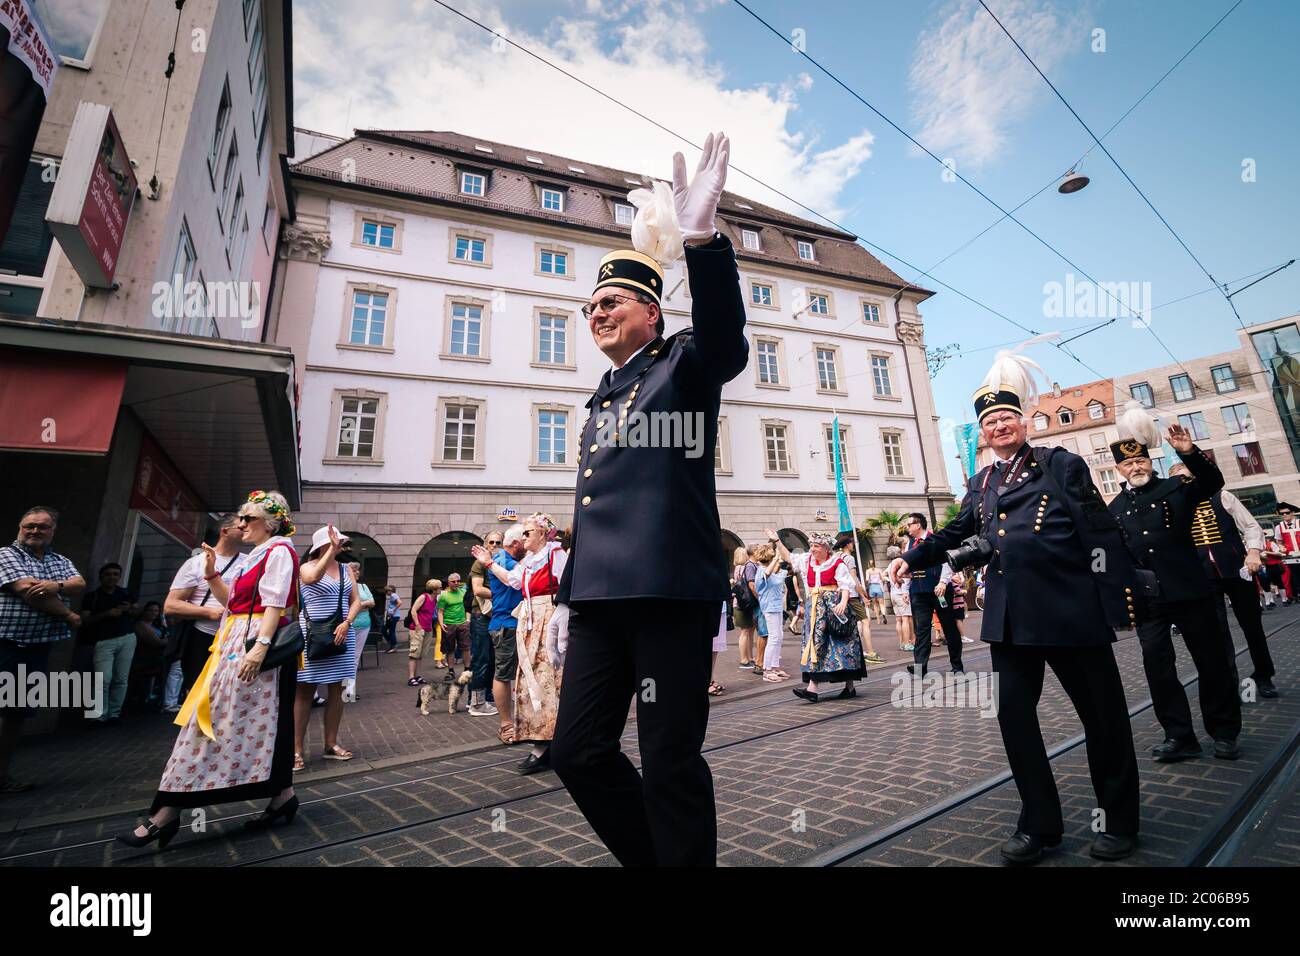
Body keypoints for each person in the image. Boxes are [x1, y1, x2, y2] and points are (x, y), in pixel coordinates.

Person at [544, 133, 747, 866]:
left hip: (666, 597)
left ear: (653, 313)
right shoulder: (600, 398)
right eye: (590, 304)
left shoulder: (683, 367)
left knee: (668, 763)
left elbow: (726, 341)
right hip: (600, 601)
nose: (595, 313)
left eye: (612, 302)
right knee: (577, 751)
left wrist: (702, 241)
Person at [889, 348, 1141, 864]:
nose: (998, 426)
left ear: (1023, 421)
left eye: (1006, 417)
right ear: (982, 432)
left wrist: (1113, 603)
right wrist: (911, 557)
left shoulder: (1060, 465)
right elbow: (957, 532)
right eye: (989, 421)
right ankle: (1039, 825)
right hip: (1008, 621)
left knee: (1104, 720)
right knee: (1017, 725)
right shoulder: (980, 483)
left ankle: (1119, 821)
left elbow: (1100, 534)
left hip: (1071, 615)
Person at [119, 491, 301, 848]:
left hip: (250, 643)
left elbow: (275, 604)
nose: (241, 524)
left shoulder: (279, 551)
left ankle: (169, 808)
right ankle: (281, 795)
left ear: (270, 522)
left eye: (248, 518)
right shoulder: (257, 555)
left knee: (218, 722)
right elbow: (231, 603)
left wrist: (259, 649)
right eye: (241, 518)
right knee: (231, 721)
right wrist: (212, 574)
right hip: (234, 639)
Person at [1107, 404, 1242, 762]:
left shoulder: (1176, 488)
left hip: (1191, 589)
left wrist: (1188, 452)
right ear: (1118, 469)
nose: (1136, 467)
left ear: (1150, 461)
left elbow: (1213, 483)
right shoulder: (1116, 508)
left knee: (1211, 662)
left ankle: (1224, 731)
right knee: (1158, 668)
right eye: (1128, 464)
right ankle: (1180, 736)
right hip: (1149, 600)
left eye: (1141, 462)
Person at [1169, 462, 1277, 699]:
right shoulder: (1176, 507)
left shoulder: (1222, 496)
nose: (1187, 483)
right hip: (1203, 576)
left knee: (1252, 627)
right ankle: (1228, 684)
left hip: (1237, 568)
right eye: (1180, 481)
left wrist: (1253, 551)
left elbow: (1250, 525)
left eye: (1189, 478)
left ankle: (1264, 674)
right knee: (1216, 633)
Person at [471, 512, 567, 774]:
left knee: (551, 679)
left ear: (544, 534)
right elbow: (512, 581)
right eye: (523, 532)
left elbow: (569, 586)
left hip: (550, 618)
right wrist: (489, 564)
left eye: (528, 532)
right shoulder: (528, 561)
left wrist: (564, 617)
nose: (523, 537)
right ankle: (541, 739)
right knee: (530, 681)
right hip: (529, 621)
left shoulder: (555, 554)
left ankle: (554, 741)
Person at [0, 506, 84, 794]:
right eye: (29, 526)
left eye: (42, 527)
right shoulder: (5, 555)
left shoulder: (59, 560)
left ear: (53, 531)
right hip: (5, 644)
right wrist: (68, 615)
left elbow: (79, 583)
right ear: (20, 527)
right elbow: (28, 591)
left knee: (15, 713)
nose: (35, 531)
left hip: (36, 648)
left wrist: (54, 584)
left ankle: (2, 776)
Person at [163, 514, 247, 713]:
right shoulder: (196, 563)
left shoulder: (249, 563)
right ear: (224, 531)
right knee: (200, 698)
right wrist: (208, 613)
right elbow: (171, 605)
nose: (245, 529)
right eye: (240, 527)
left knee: (231, 696)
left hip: (235, 640)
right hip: (202, 639)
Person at [294, 526, 362, 770]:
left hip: (342, 633)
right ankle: (297, 749)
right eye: (336, 542)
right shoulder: (307, 566)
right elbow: (312, 579)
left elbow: (356, 601)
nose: (341, 545)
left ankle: (330, 744)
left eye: (340, 542)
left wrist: (347, 622)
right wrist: (330, 552)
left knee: (337, 689)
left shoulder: (345, 569)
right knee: (304, 691)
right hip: (312, 635)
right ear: (322, 544)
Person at [767, 529, 862, 700]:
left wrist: (842, 602)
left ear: (826, 548)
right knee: (815, 642)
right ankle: (812, 688)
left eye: (816, 546)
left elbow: (846, 585)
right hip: (815, 607)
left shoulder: (837, 562)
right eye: (811, 545)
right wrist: (777, 541)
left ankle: (849, 685)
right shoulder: (807, 560)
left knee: (841, 644)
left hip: (833, 606)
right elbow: (789, 557)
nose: (812, 549)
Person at [901, 517, 964, 677]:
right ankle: (920, 667)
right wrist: (905, 590)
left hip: (938, 590)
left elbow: (948, 562)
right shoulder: (909, 544)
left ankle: (957, 666)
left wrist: (943, 582)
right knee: (921, 629)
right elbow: (907, 566)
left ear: (918, 525)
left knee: (949, 627)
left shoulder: (935, 539)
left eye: (909, 524)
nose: (907, 527)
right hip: (918, 591)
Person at [78, 563, 140, 725]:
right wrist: (107, 614)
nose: (112, 577)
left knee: (121, 678)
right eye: (108, 574)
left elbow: (137, 612)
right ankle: (98, 715)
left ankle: (114, 713)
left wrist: (130, 609)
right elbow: (84, 620)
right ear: (101, 577)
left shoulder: (125, 593)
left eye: (115, 574)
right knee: (102, 679)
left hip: (127, 637)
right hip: (103, 641)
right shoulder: (93, 597)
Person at [484, 525, 524, 743]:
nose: (526, 546)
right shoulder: (506, 562)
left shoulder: (501, 559)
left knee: (509, 674)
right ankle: (506, 725)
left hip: (509, 623)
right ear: (515, 544)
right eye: (523, 541)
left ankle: (513, 722)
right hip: (507, 624)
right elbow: (514, 580)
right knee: (503, 674)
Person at [834, 531, 885, 664]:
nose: (853, 545)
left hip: (840, 594)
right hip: (852, 595)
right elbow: (853, 579)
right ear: (848, 545)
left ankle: (853, 651)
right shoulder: (849, 558)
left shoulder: (836, 556)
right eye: (851, 543)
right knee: (865, 621)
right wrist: (863, 595)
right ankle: (870, 652)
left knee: (850, 624)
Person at [468, 535, 501, 716]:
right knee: (481, 659)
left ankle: (487, 698)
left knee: (491, 660)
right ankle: (476, 703)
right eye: (491, 542)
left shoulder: (501, 562)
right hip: (481, 615)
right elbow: (478, 589)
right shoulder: (479, 564)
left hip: (493, 615)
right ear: (484, 544)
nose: (495, 545)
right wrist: (502, 594)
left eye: (498, 542)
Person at [753, 544, 790, 681]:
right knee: (773, 637)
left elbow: (773, 573)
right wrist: (776, 559)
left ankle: (775, 666)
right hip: (769, 607)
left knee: (778, 636)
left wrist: (778, 560)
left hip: (776, 606)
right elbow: (768, 574)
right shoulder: (761, 571)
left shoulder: (768, 569)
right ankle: (767, 671)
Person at [340, 562, 374, 702]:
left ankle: (349, 691)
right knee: (347, 659)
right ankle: (345, 691)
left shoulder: (363, 586)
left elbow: (372, 602)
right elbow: (347, 605)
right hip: (349, 626)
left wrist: (358, 605)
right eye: (354, 570)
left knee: (355, 659)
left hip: (364, 625)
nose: (357, 573)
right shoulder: (344, 586)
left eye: (358, 570)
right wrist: (361, 604)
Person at [437, 572, 472, 681]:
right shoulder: (444, 595)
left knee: (466, 648)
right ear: (449, 583)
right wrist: (441, 623)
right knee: (450, 649)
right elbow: (440, 611)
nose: (456, 583)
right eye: (453, 581)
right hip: (449, 624)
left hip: (463, 624)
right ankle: (451, 670)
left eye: (458, 581)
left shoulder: (463, 592)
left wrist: (467, 620)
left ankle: (467, 669)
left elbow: (468, 607)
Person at [407, 580, 440, 687]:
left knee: (421, 654)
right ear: (434, 589)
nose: (441, 589)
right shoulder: (423, 597)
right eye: (439, 587)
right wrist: (417, 624)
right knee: (414, 653)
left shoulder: (434, 599)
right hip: (418, 629)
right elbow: (413, 610)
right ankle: (411, 677)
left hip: (428, 629)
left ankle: (418, 675)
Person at [731, 546, 757, 670]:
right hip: (743, 604)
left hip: (742, 603)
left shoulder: (737, 568)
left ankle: (749, 657)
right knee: (745, 632)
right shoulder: (743, 568)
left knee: (749, 631)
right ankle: (744, 658)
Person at [886, 544, 913, 650]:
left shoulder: (890, 565)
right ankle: (907, 643)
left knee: (898, 619)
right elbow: (904, 578)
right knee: (905, 618)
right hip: (901, 593)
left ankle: (902, 642)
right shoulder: (900, 563)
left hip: (893, 594)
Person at [383, 586, 401, 651]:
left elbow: (400, 602)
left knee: (389, 631)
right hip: (392, 616)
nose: (385, 593)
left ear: (390, 591)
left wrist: (393, 610)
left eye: (386, 591)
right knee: (387, 630)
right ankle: (392, 645)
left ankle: (393, 645)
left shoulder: (393, 595)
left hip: (394, 616)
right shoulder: (392, 596)